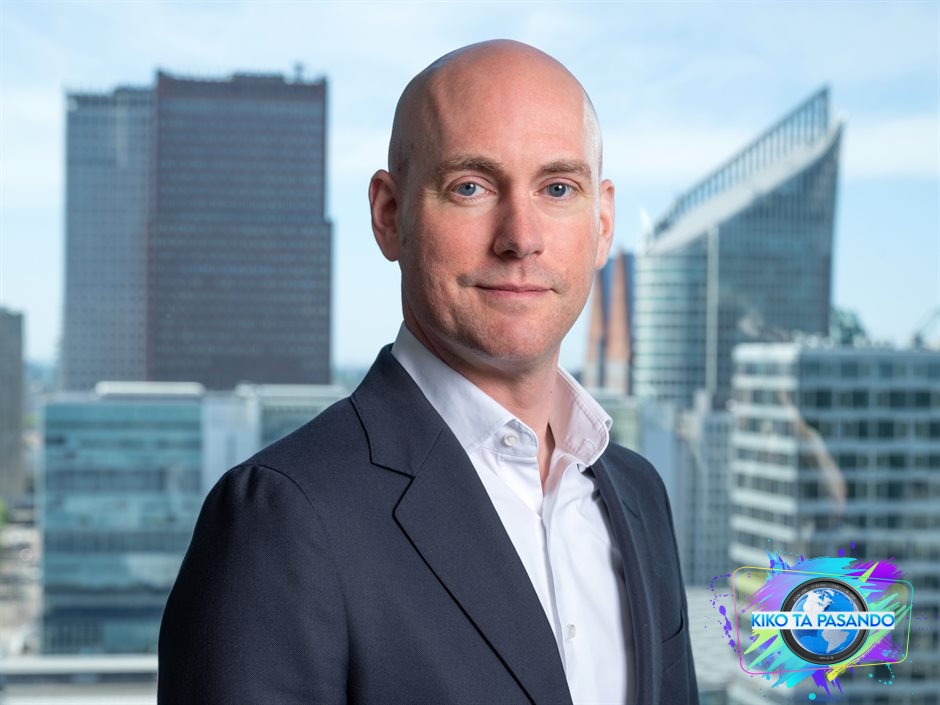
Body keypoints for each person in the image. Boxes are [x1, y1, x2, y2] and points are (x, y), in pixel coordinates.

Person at [158, 39, 698, 705]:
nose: (520, 237)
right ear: (390, 215)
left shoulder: (640, 495)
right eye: (471, 187)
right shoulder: (282, 519)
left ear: (603, 222)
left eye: (558, 188)